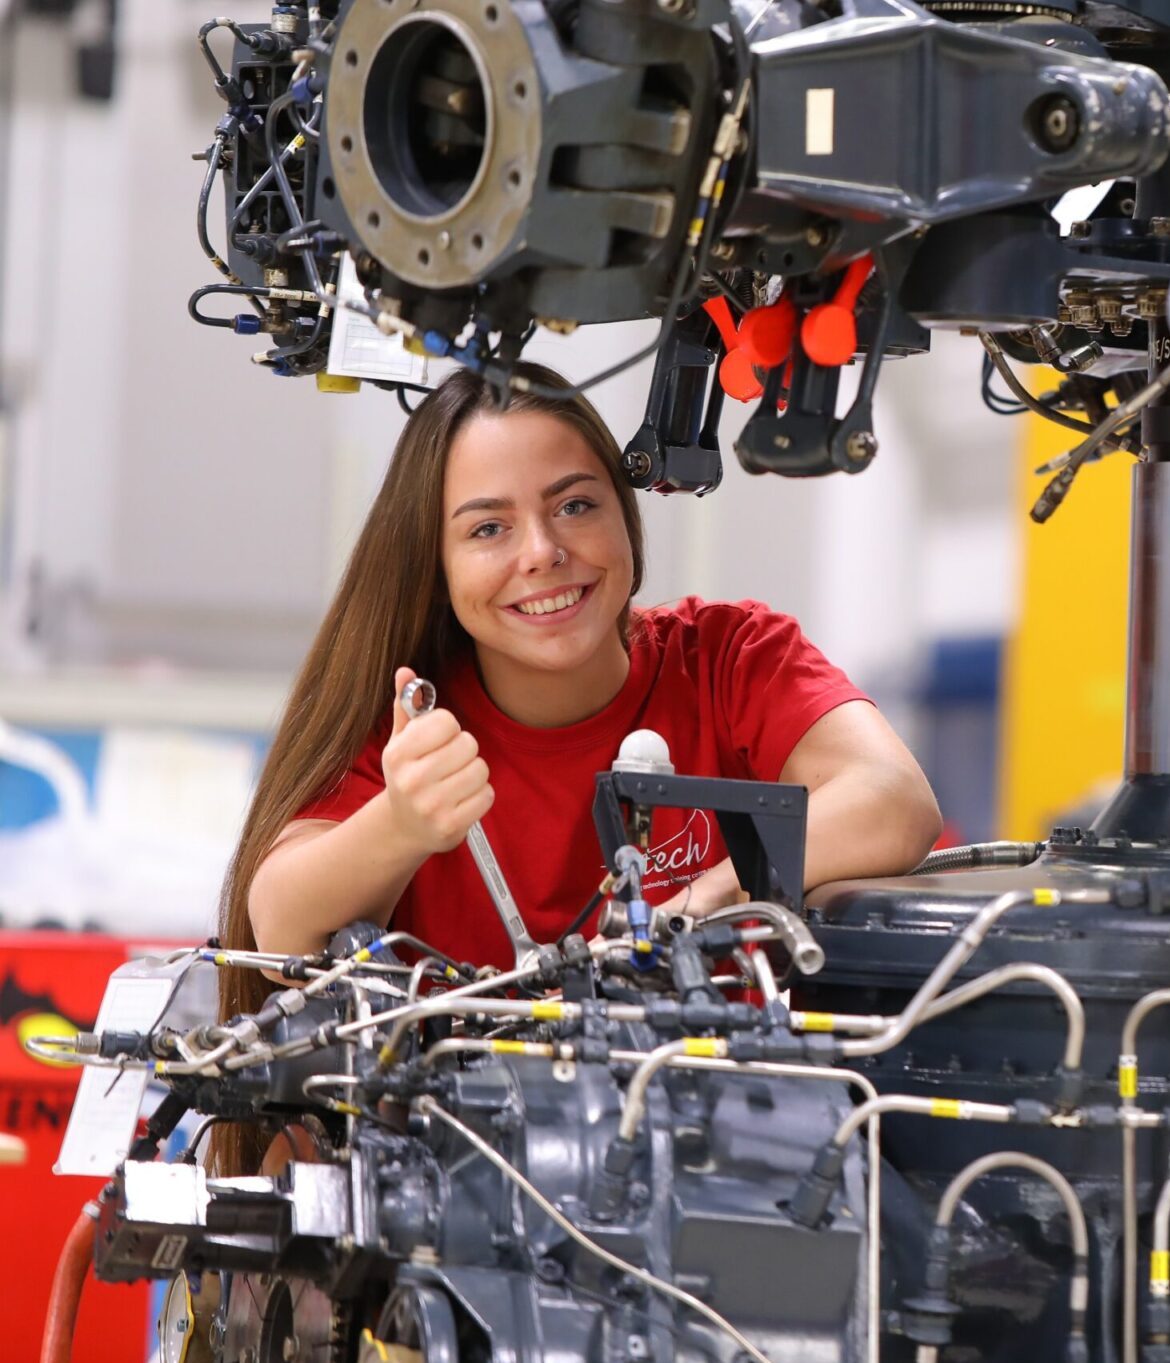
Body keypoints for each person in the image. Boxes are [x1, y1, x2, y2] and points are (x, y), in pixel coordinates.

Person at [216, 361, 942, 999]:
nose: (542, 552)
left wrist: (711, 897)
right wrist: (402, 823)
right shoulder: (413, 724)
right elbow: (280, 931)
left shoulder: (730, 656)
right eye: (487, 529)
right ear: (434, 571)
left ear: (626, 517)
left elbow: (895, 802)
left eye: (574, 506)